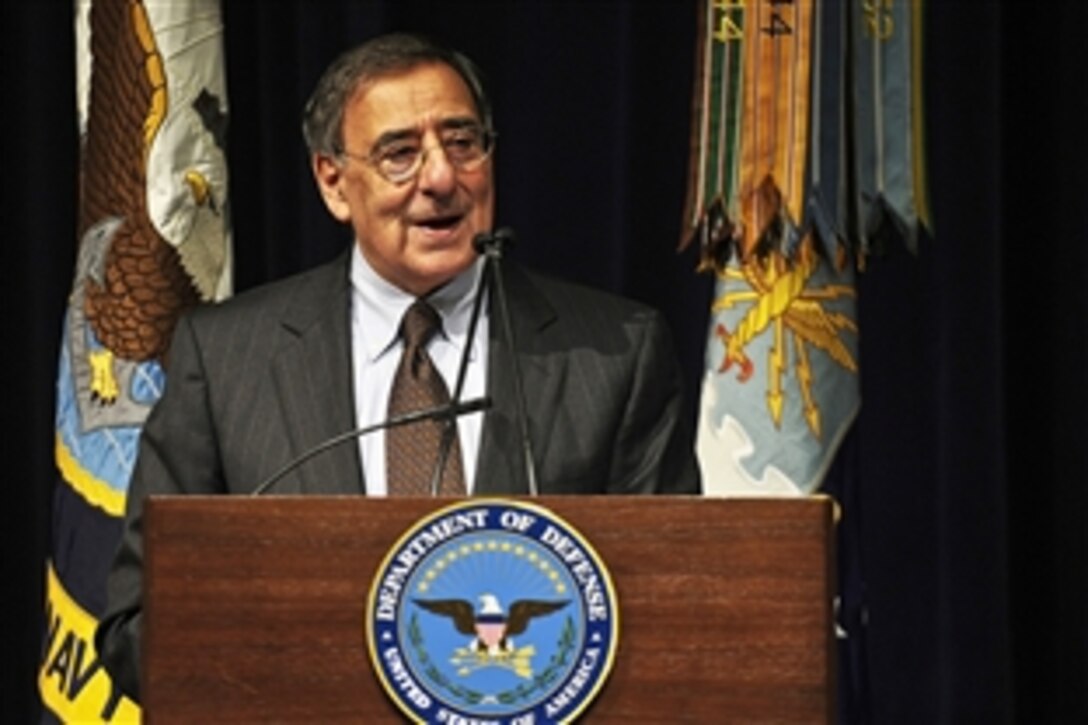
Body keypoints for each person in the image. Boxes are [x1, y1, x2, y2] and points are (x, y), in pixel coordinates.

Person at [96, 31, 700, 702]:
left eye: (463, 142)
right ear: (333, 182)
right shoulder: (228, 358)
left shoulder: (615, 352)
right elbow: (138, 626)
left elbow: (674, 615)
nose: (441, 178)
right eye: (400, 153)